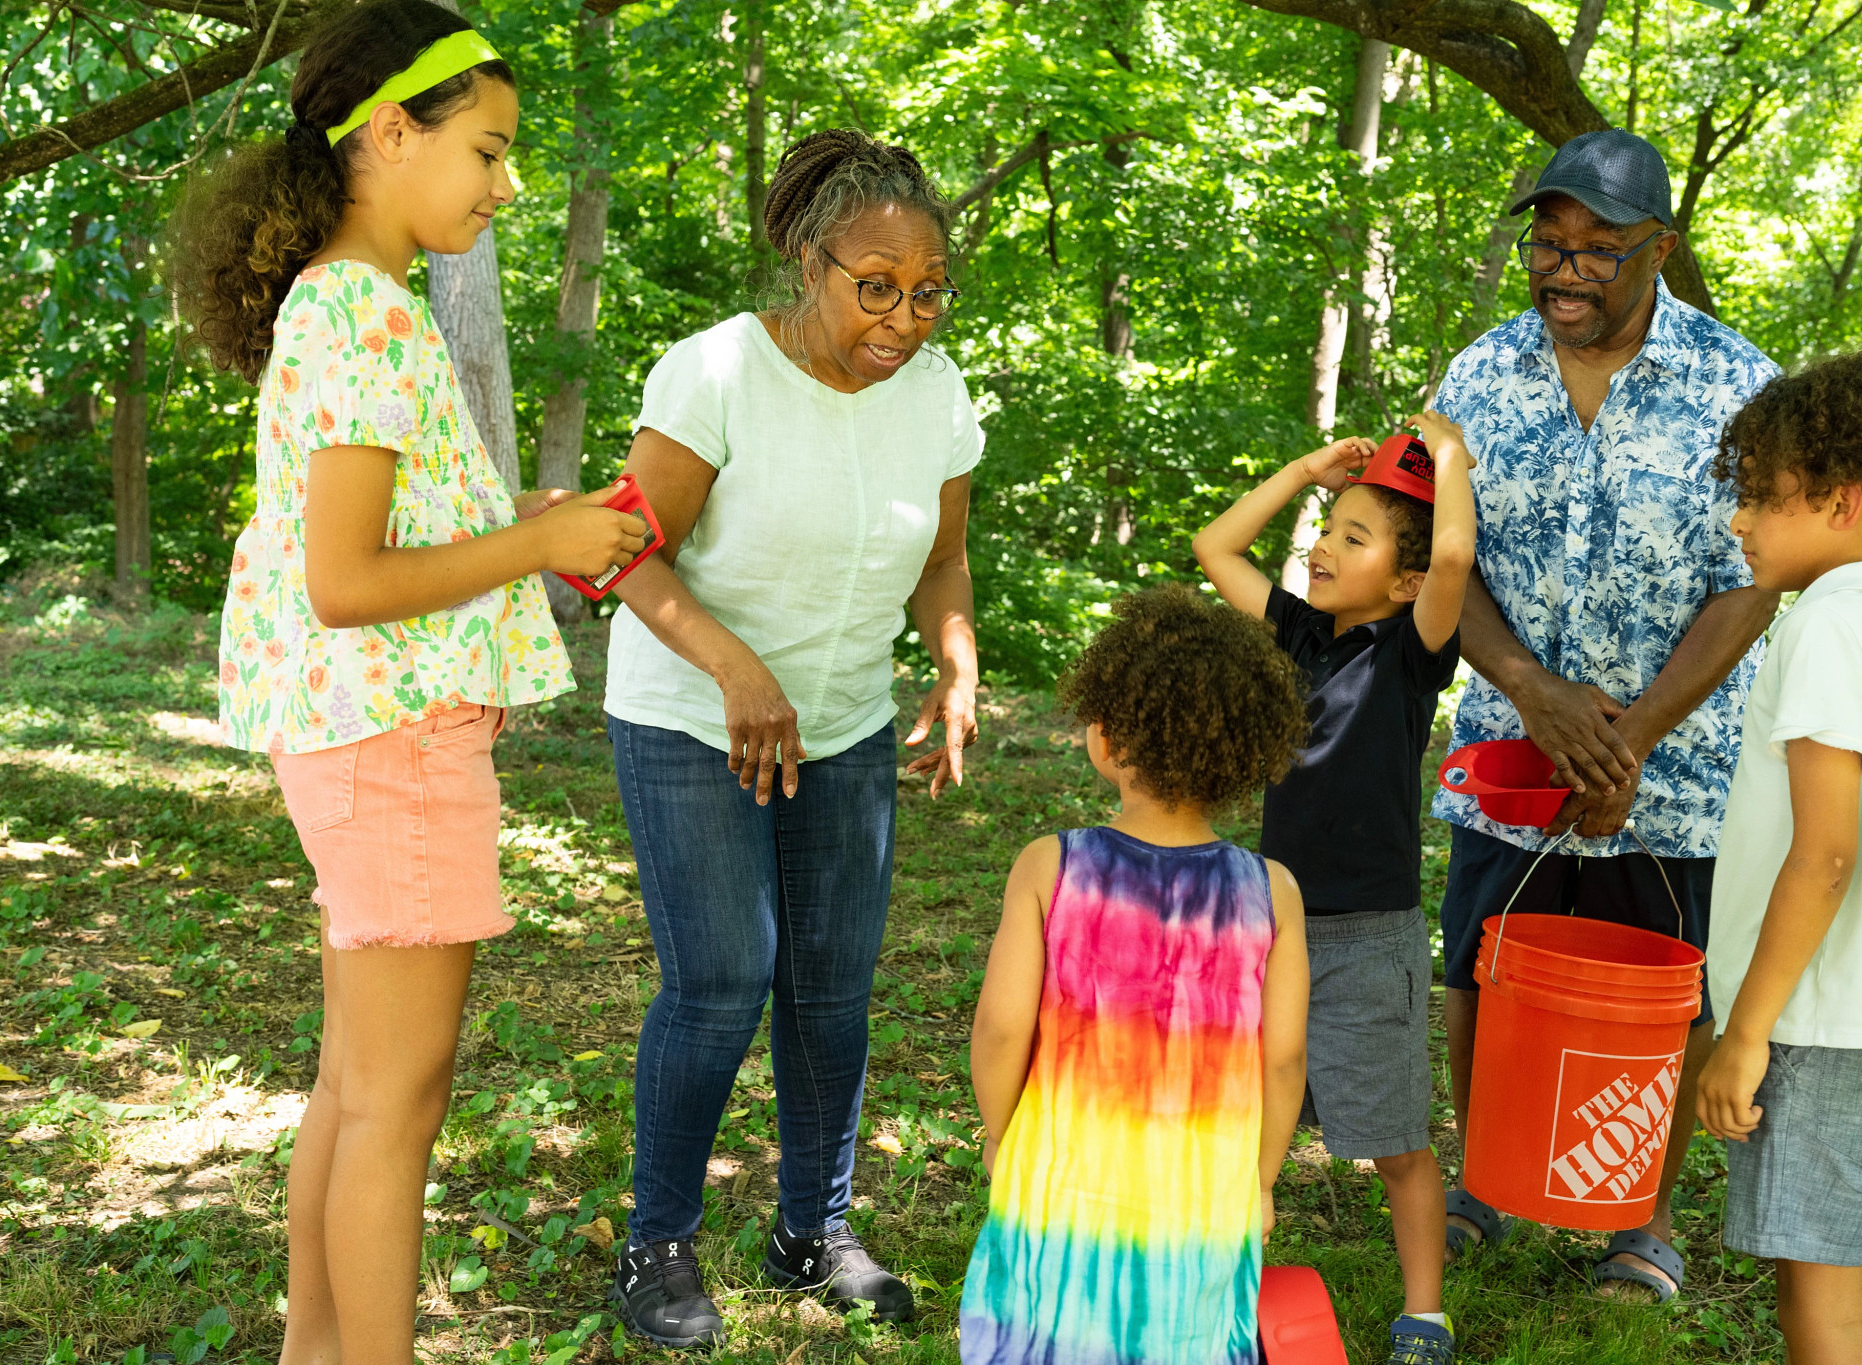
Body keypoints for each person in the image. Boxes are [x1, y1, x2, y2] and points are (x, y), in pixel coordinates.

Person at [166, 5, 651, 1362]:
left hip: (364, 732)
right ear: (392, 132)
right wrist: (540, 544)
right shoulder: (364, 315)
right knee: (397, 1098)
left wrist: (533, 516)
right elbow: (350, 580)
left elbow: (386, 538)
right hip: (391, 735)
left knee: (355, 1083)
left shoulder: (344, 303)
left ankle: (317, 1350)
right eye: (488, 151)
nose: (508, 184)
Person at [601, 130, 982, 1345]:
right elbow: (625, 551)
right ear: (808, 263)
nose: (905, 317)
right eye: (875, 286)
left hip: (845, 732)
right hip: (691, 718)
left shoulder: (934, 391)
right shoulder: (714, 373)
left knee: (829, 993)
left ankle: (811, 1229)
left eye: (927, 291)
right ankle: (655, 1246)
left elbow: (942, 556)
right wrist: (733, 669)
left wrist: (955, 660)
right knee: (717, 984)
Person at [1429, 127, 1780, 1302]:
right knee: (1483, 965)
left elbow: (1754, 581)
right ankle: (1482, 1181)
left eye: (1597, 248)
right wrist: (1529, 689)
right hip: (1504, 745)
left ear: (1658, 250)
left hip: (1674, 766)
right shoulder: (1476, 376)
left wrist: (1626, 739)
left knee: (1657, 985)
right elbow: (1441, 560)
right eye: (1547, 242)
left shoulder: (1739, 385)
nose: (1563, 269)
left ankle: (1643, 1216)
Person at [960, 585, 1311, 1364]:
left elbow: (1003, 1024)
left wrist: (998, 1132)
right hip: (1203, 1197)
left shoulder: (1052, 866)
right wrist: (1258, 1181)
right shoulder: (1271, 890)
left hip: (1060, 1184)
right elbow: (1284, 1058)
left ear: (1109, 736)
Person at [1192, 416, 1475, 1365]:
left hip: (1370, 939)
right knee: (1246, 1123)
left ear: (1402, 580)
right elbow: (1215, 546)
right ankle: (1225, 1277)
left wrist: (1452, 464)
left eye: (1355, 538)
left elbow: (1455, 559)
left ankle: (1424, 1313)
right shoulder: (1299, 634)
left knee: (1395, 1141)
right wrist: (1304, 470)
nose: (1324, 544)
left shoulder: (1410, 654)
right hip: (1270, 930)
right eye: (1328, 525)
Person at [1695, 352, 1862, 1365]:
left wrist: (1745, 1032)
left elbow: (1825, 853)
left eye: (1759, 497)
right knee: (1825, 1275)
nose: (1737, 520)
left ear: (1840, 504)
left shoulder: (1826, 628)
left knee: (1813, 1295)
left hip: (1817, 1022)